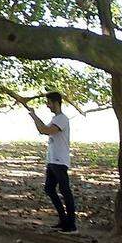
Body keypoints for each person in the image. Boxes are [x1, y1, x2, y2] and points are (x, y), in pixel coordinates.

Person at [26, 91, 77, 233]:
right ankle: (63, 220)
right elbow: (42, 129)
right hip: (52, 160)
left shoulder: (62, 119)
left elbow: (44, 130)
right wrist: (34, 117)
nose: (47, 106)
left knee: (65, 191)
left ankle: (71, 225)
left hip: (60, 161)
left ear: (56, 103)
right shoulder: (55, 119)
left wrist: (34, 116)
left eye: (49, 103)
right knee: (49, 189)